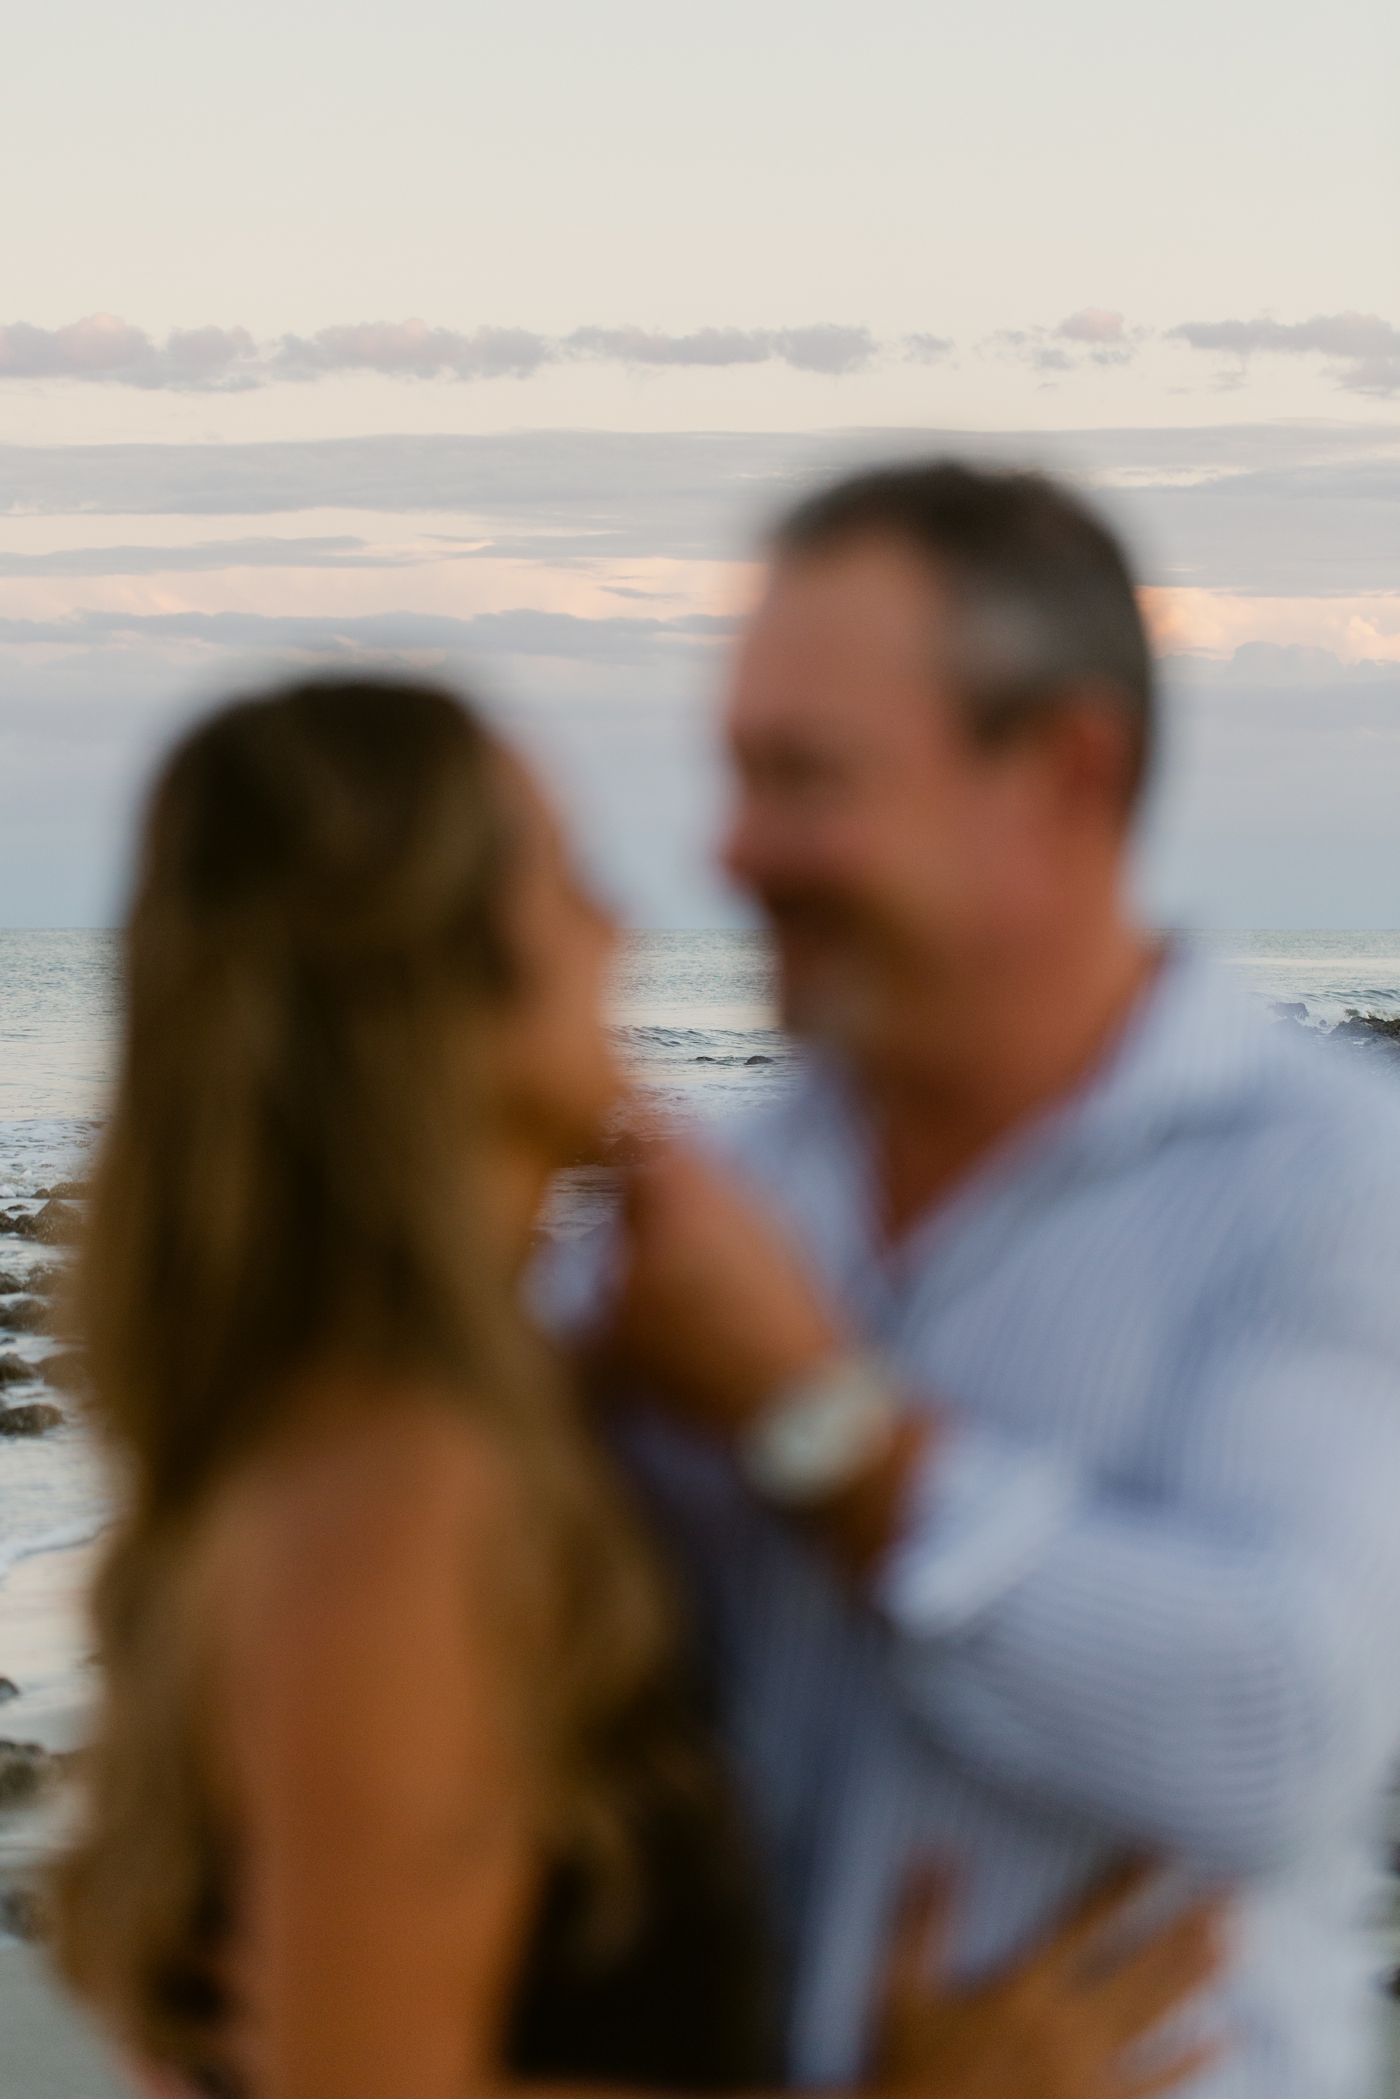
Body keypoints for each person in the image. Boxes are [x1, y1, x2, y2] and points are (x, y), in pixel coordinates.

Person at [45, 677, 1219, 2099]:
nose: (625, 929)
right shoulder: (399, 1490)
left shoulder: (408, 1433)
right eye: (568, 879)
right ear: (440, 983)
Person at [567, 463, 1400, 2099]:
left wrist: (829, 1432)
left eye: (805, 780)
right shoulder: (713, 1199)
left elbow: (1278, 1737)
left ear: (1064, 776)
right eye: (735, 777)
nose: (731, 853)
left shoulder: (1320, 1182)